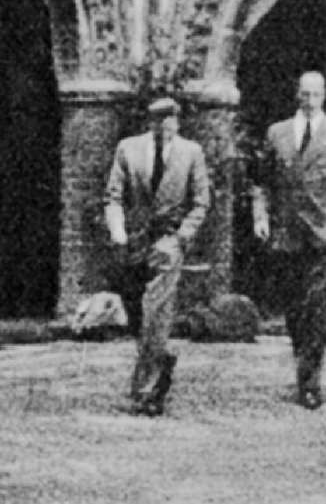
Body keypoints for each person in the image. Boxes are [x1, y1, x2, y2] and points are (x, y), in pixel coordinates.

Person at [252, 71, 326, 409]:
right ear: (297, 95)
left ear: (324, 96)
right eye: (305, 94)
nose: (310, 100)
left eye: (316, 94)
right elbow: (261, 181)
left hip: (325, 233)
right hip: (287, 233)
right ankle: (304, 358)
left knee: (318, 307)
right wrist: (260, 216)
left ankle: (310, 381)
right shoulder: (277, 133)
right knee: (295, 310)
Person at [105, 97, 210, 416]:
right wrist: (118, 231)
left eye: (171, 120)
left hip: (168, 241)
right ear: (150, 123)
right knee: (139, 316)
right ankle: (160, 360)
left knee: (156, 310)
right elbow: (113, 197)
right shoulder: (128, 150)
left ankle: (146, 392)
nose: (166, 126)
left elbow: (201, 202)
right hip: (135, 241)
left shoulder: (191, 153)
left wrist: (182, 236)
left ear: (178, 122)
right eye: (159, 121)